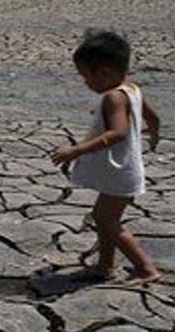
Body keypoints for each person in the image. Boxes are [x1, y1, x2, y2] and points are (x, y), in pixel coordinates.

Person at [51, 29, 162, 287]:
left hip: (120, 173)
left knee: (107, 220)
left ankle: (146, 269)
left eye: (86, 76)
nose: (85, 83)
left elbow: (117, 133)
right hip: (123, 170)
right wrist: (153, 133)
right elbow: (153, 117)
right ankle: (105, 266)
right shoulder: (133, 89)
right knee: (103, 218)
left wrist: (75, 150)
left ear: (104, 72)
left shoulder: (113, 97)